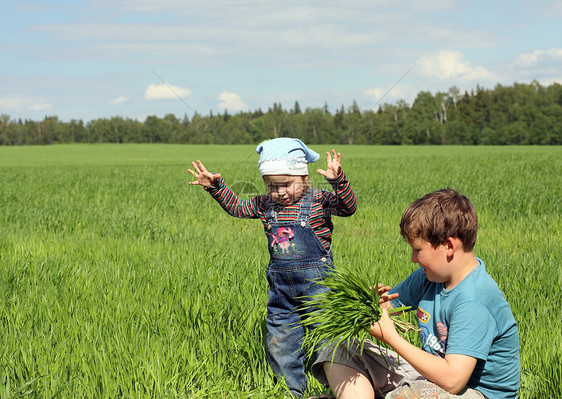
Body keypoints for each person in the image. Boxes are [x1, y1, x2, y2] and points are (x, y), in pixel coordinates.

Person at [311, 188, 520, 399]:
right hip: (432, 378)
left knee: (415, 395)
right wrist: (371, 306)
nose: (413, 258)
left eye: (418, 250)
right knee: (338, 348)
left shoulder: (474, 301)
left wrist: (391, 338)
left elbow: (453, 381)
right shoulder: (428, 278)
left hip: (475, 393)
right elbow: (390, 306)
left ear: (448, 246)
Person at [188, 138, 357, 398]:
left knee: (325, 333)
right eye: (272, 186)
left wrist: (339, 181)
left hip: (319, 284)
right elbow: (237, 207)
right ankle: (289, 390)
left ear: (304, 176)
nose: (279, 192)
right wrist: (216, 187)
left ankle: (337, 385)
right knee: (281, 336)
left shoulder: (319, 200)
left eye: (286, 184)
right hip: (281, 289)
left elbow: (348, 208)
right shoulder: (265, 205)